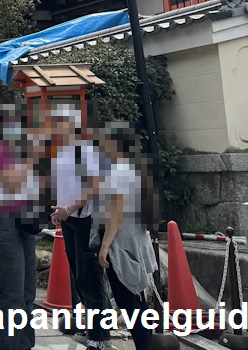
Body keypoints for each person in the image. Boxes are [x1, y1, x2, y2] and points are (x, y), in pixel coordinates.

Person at [47, 105, 111, 345]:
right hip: (69, 219)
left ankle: (101, 336)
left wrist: (70, 208)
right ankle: (93, 328)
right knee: (78, 277)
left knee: (90, 277)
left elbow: (96, 186)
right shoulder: (60, 151)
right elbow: (65, 184)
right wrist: (59, 210)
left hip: (86, 218)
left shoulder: (85, 151)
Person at [93, 124, 159, 350]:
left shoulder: (118, 171)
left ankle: (144, 346)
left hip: (121, 245)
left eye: (105, 141)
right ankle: (145, 345)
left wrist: (104, 246)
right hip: (135, 241)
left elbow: (115, 212)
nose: (101, 145)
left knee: (129, 302)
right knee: (136, 300)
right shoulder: (132, 168)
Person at [0, 107, 43, 350]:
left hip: (23, 223)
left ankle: (25, 345)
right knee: (12, 294)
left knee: (28, 293)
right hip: (1, 225)